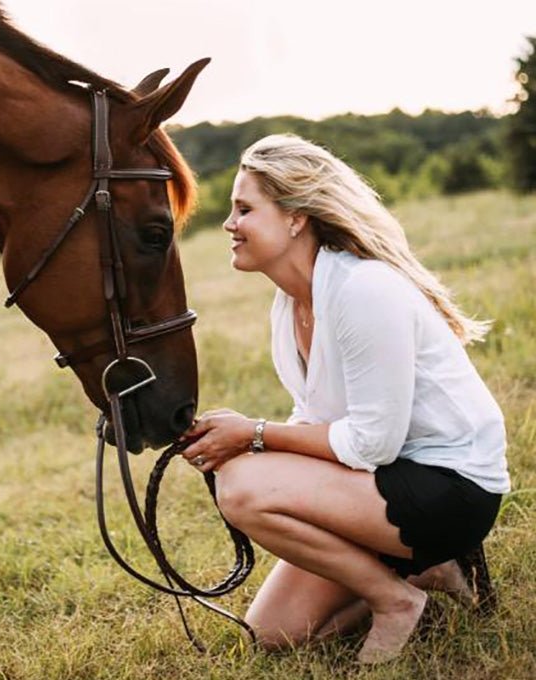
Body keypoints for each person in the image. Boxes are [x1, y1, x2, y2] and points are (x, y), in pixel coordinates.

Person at [180, 134, 509, 663]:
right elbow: (316, 419)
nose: (229, 224)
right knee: (273, 634)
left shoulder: (363, 289)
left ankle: (395, 599)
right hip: (384, 485)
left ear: (295, 218)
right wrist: (235, 439)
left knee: (240, 487)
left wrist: (254, 436)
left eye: (244, 209)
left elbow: (372, 443)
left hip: (452, 489)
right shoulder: (289, 306)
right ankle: (427, 569)